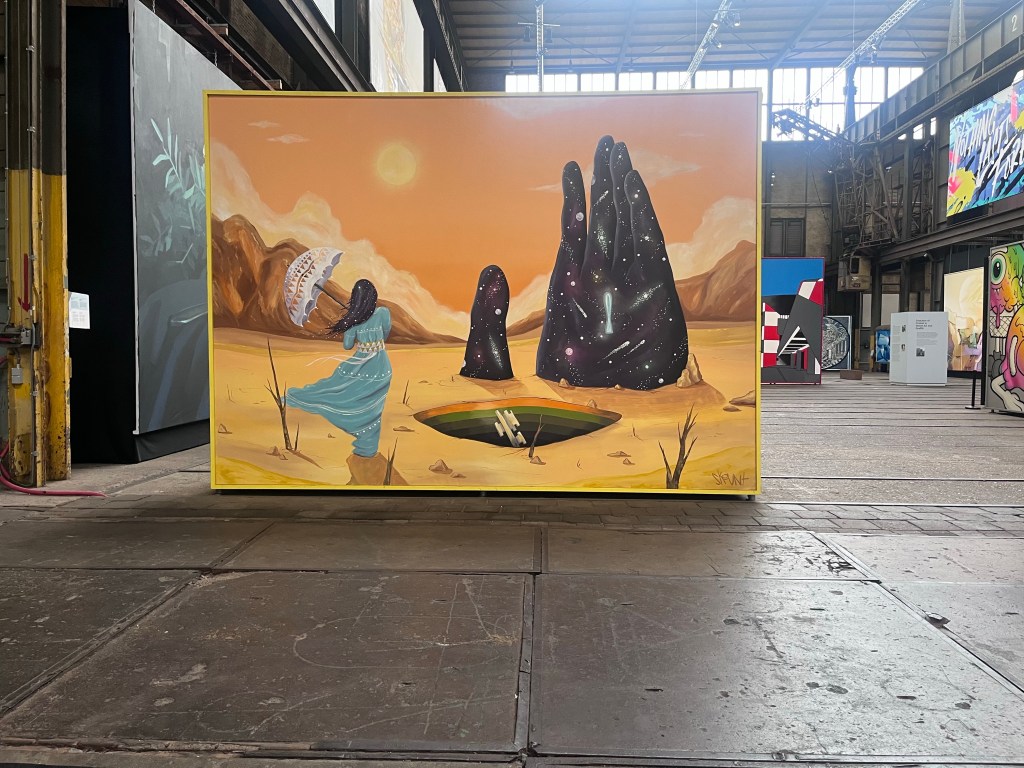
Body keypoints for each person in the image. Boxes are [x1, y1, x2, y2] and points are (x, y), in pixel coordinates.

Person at [287, 279, 392, 458]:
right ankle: (367, 447)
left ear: (355, 299)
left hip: (360, 365)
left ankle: (366, 446)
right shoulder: (383, 312)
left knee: (337, 393)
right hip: (381, 367)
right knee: (374, 407)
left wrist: (352, 322)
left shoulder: (354, 321)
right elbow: (386, 333)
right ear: (373, 296)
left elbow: (347, 346)